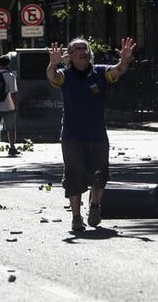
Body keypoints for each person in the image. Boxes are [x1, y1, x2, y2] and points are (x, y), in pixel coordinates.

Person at [46, 37, 136, 234]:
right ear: (69, 55)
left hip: (97, 133)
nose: (82, 51)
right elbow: (53, 77)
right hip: (71, 134)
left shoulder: (100, 73)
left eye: (85, 48)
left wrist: (125, 60)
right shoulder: (65, 75)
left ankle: (95, 206)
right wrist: (52, 64)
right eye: (77, 49)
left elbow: (118, 71)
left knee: (99, 174)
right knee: (74, 175)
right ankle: (76, 217)